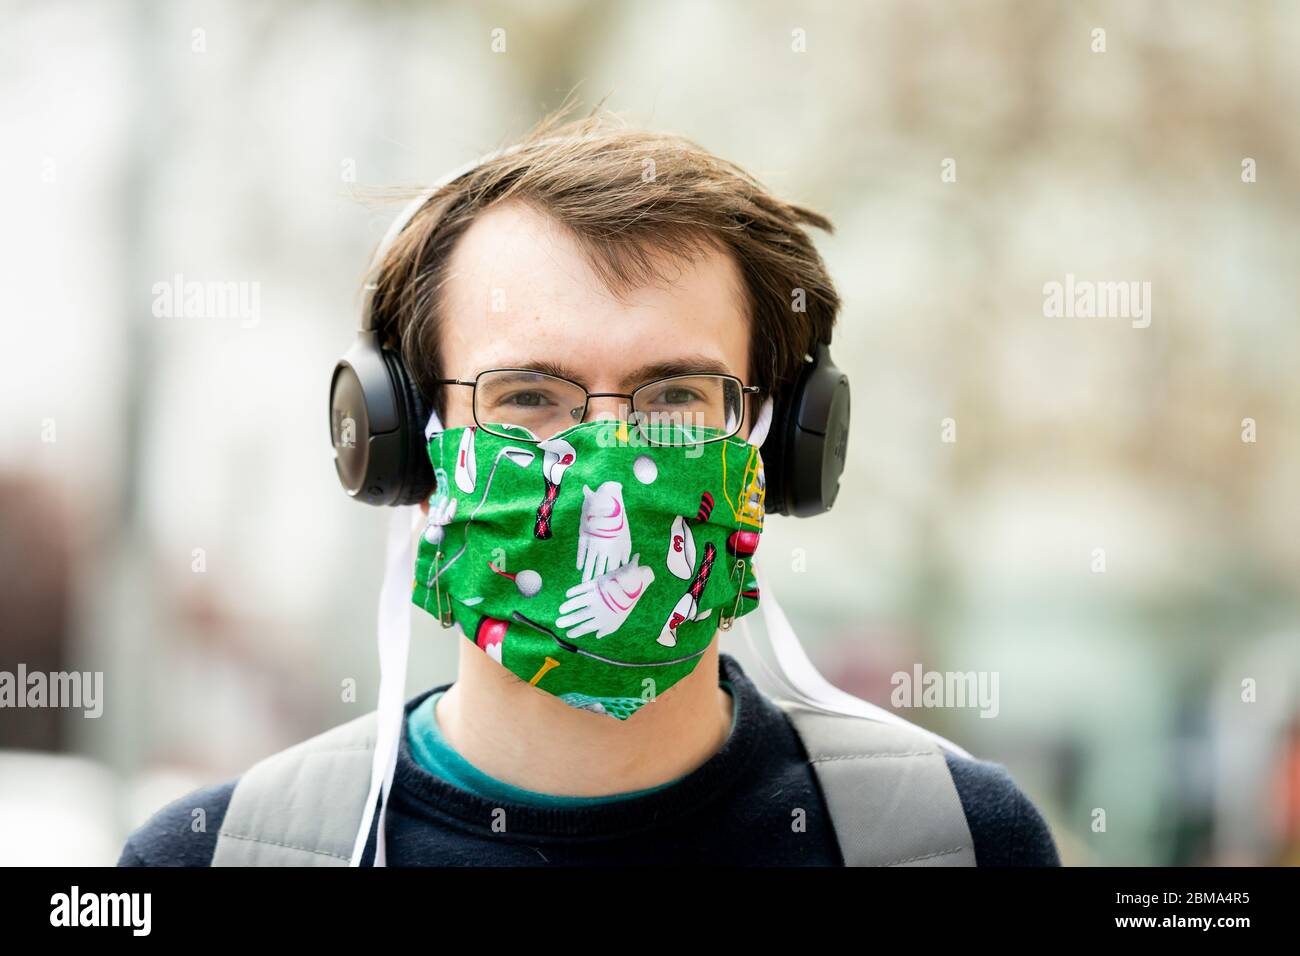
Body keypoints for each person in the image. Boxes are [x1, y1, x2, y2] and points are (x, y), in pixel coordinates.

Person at [118, 105, 1061, 867]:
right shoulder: (211, 861)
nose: (608, 450)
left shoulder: (954, 844)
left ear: (777, 450)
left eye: (675, 394)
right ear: (404, 443)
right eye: (529, 395)